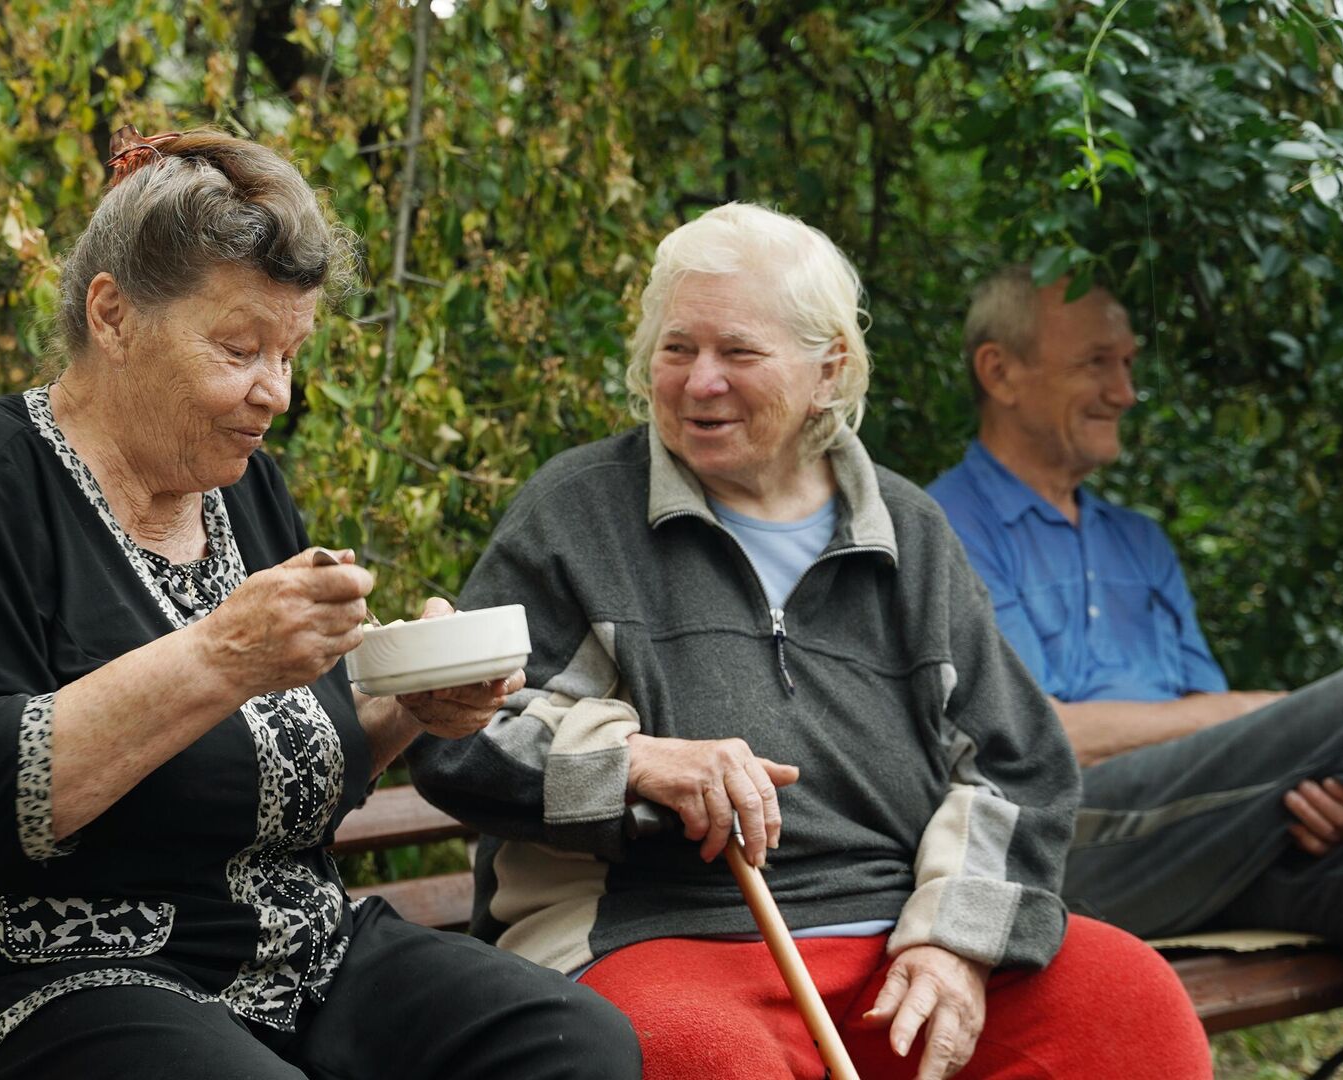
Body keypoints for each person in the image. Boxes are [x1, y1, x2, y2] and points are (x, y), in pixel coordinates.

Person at [0, 127, 641, 1080]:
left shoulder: (246, 487)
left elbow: (282, 781)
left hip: (288, 964)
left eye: (291, 351)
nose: (275, 392)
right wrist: (222, 655)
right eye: (239, 348)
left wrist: (406, 709)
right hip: (48, 977)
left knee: (574, 1046)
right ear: (112, 314)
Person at [408, 204, 1211, 1080]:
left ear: (828, 369)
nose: (698, 381)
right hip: (655, 932)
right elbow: (463, 738)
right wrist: (638, 763)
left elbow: (1016, 765)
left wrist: (955, 943)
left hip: (896, 937)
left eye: (738, 353)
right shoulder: (580, 513)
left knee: (1127, 1006)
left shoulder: (907, 531)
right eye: (677, 350)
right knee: (694, 1058)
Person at [928, 264, 1343, 1074]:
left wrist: (1322, 784)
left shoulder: (1139, 543)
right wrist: (1280, 723)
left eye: (1129, 363)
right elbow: (1037, 744)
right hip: (1054, 846)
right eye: (1097, 363)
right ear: (999, 371)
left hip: (1204, 842)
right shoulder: (943, 527)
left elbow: (1224, 738)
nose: (1125, 390)